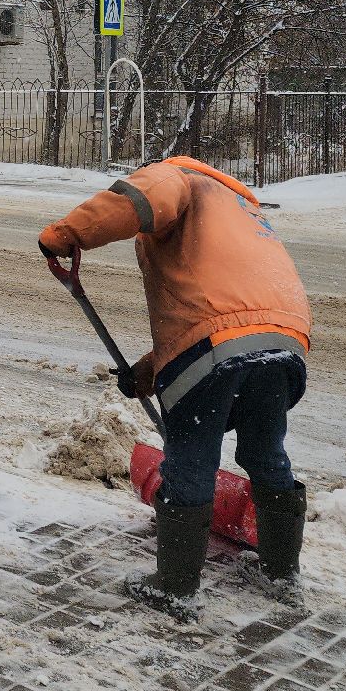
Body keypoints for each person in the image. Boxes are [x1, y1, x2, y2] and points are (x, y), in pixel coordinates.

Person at [38, 156, 312, 622]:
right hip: (284, 341)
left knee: (190, 453)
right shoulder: (243, 210)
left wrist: (65, 235)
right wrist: (148, 373)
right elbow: (225, 316)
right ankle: (280, 573)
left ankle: (176, 587)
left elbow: (137, 202)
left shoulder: (180, 178)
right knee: (267, 451)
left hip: (219, 342)